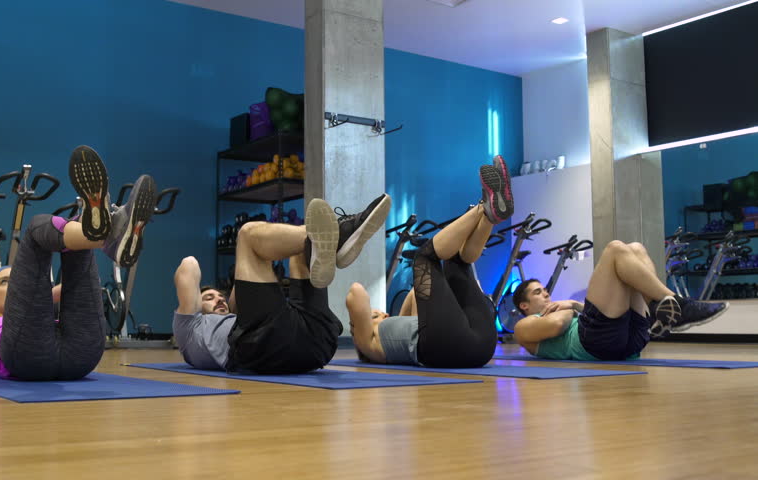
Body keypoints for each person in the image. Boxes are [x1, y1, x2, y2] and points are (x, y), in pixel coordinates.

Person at [0, 145, 156, 380]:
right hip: (27, 357)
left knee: (76, 240)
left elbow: (64, 290)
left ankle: (102, 233)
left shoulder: (42, 300)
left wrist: (51, 291)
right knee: (37, 228)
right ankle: (107, 236)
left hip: (82, 356)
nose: (18, 283)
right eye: (6, 282)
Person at [172, 193, 392, 374]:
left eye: (220, 296)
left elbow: (244, 290)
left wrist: (235, 293)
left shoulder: (240, 319)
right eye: (208, 298)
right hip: (263, 348)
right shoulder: (189, 329)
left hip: (317, 344)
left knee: (300, 250)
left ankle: (326, 238)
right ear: (194, 308)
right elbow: (189, 265)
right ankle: (340, 234)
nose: (218, 299)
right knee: (247, 234)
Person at [347, 155, 514, 368]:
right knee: (424, 258)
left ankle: (491, 216)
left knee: (457, 260)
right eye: (375, 315)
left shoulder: (413, 328)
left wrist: (396, 311)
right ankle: (483, 208)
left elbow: (418, 297)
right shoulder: (369, 343)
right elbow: (356, 292)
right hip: (446, 347)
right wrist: (358, 324)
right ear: (358, 329)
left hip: (480, 346)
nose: (383, 313)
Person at [511, 240, 729, 361]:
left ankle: (659, 309)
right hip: (594, 345)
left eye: (545, 290)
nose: (546, 294)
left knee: (636, 249)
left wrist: (576, 305)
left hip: (631, 343)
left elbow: (586, 314)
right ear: (524, 306)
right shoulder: (523, 326)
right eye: (538, 293)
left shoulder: (562, 309)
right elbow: (558, 325)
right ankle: (675, 305)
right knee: (615, 248)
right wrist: (569, 306)